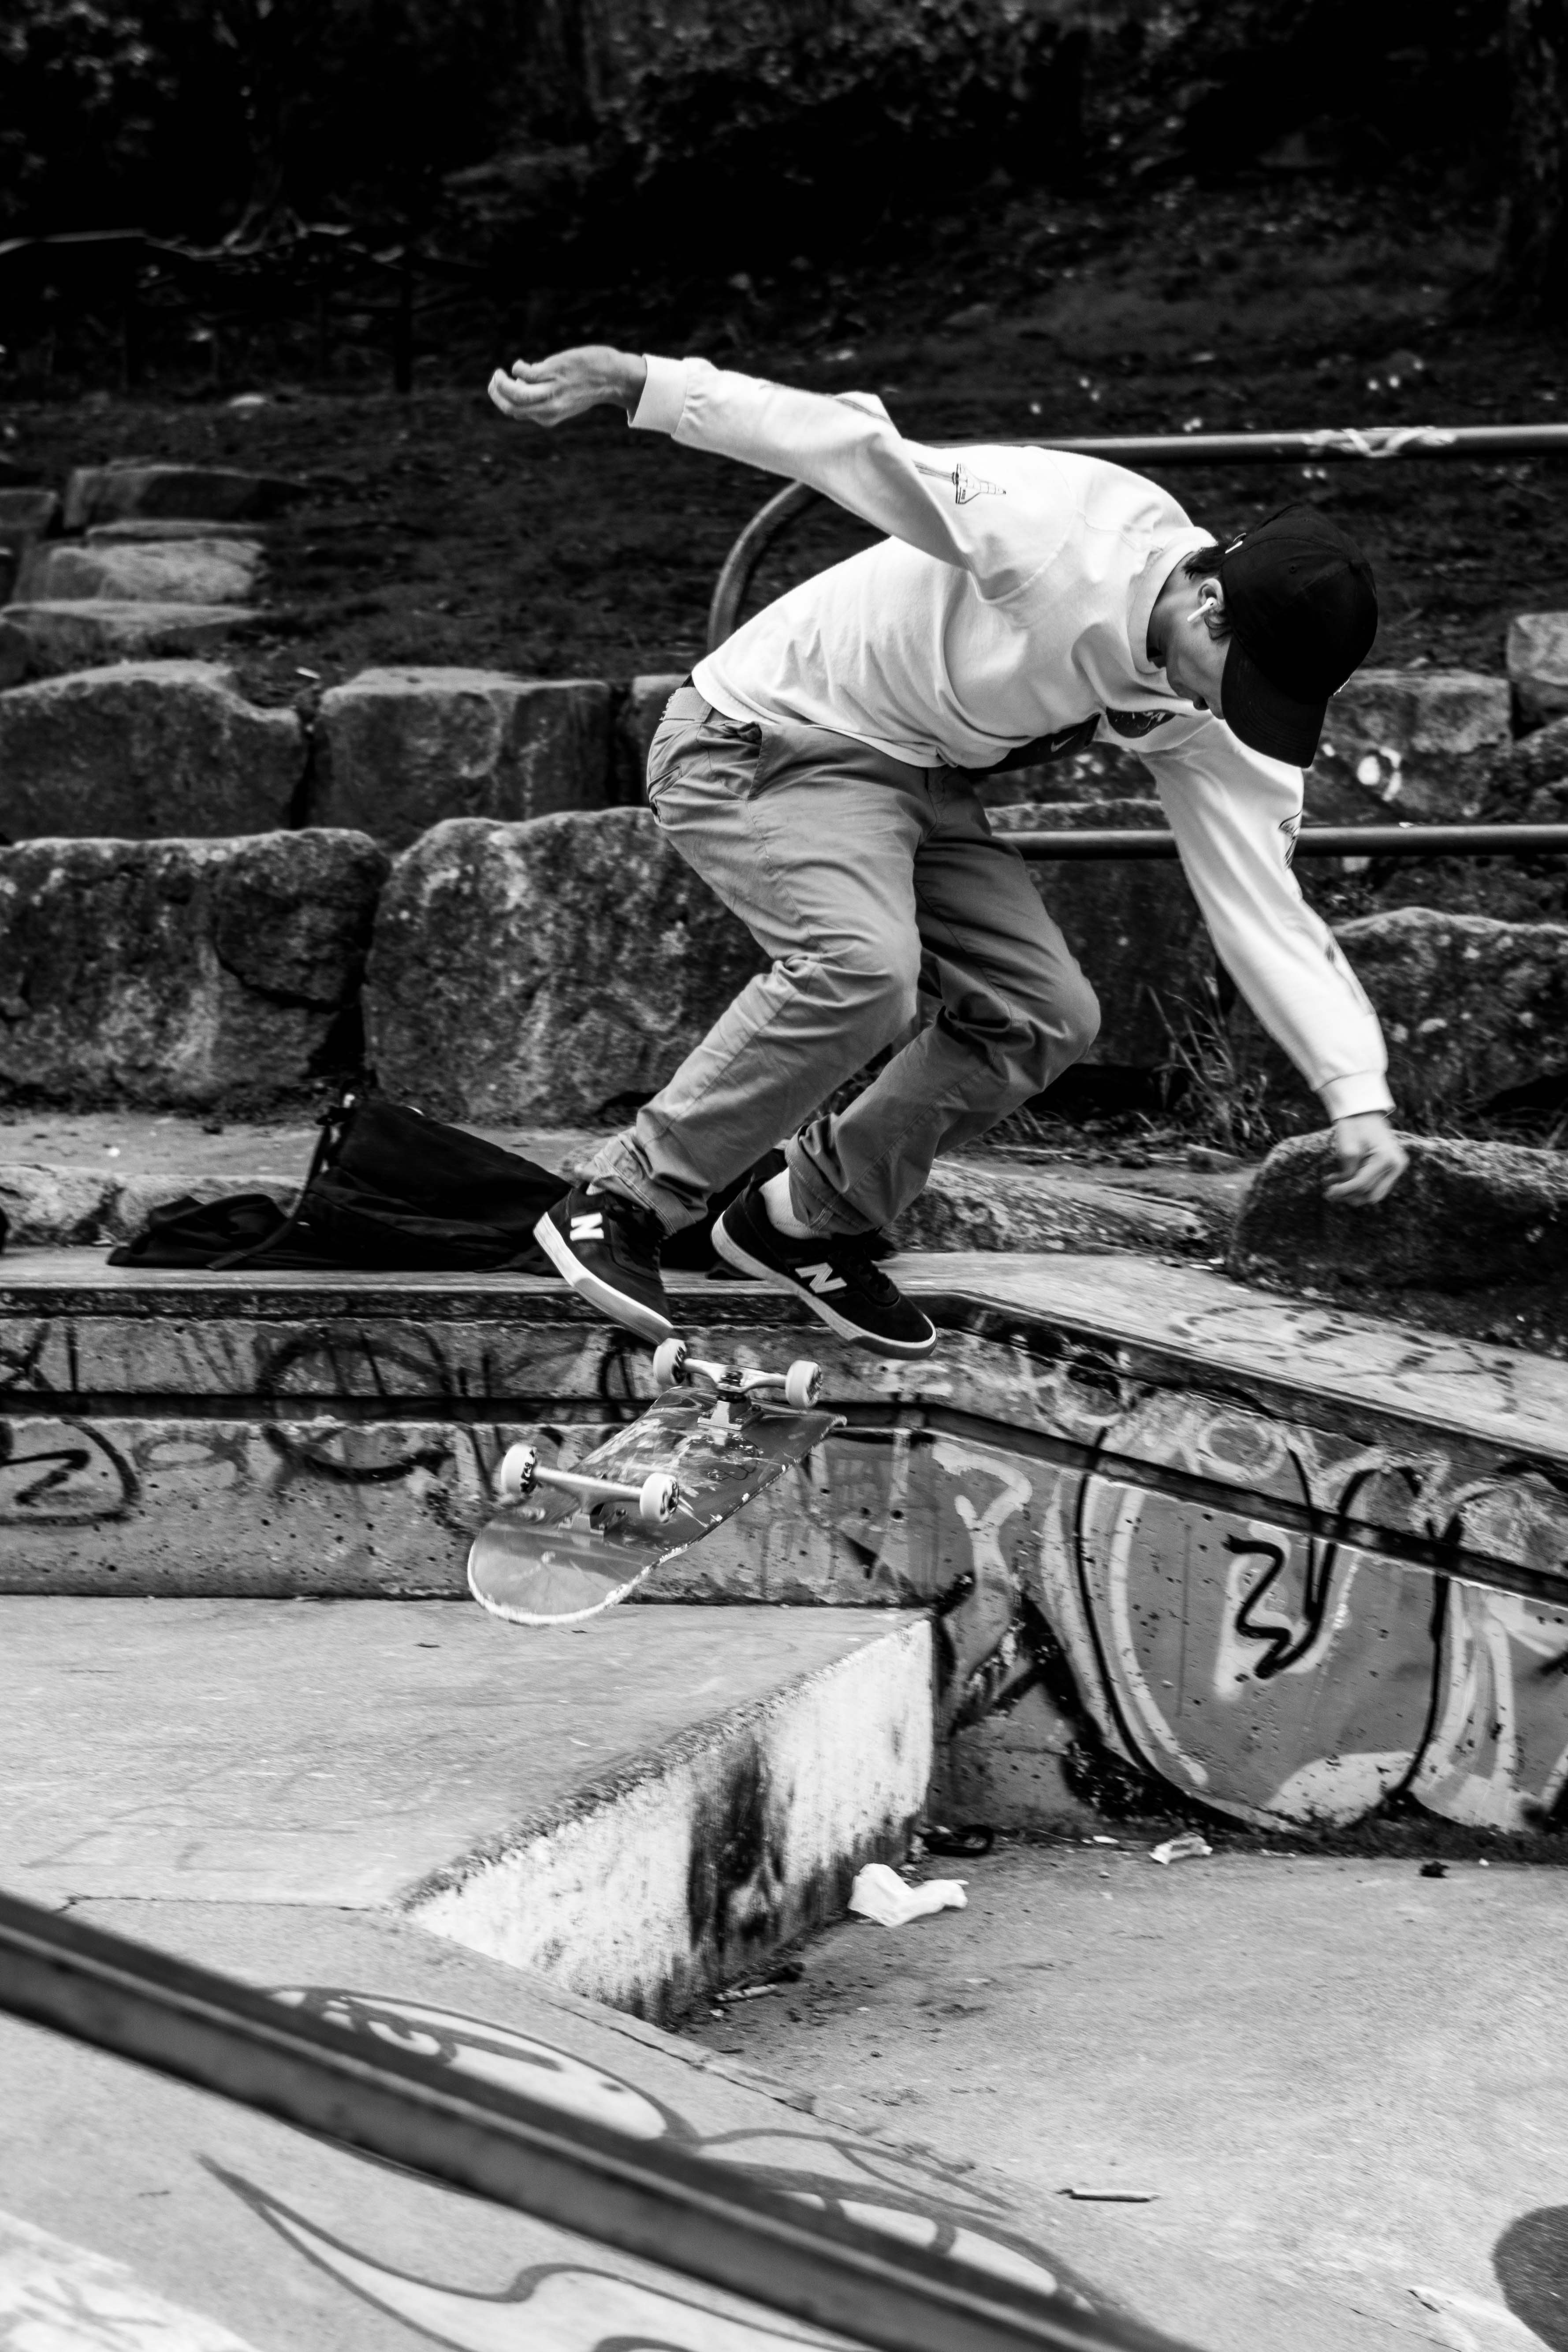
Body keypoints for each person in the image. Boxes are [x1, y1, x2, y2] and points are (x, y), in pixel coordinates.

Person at [490, 346, 1409, 1357]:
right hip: (764, 734)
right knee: (862, 972)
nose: (1225, 712)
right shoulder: (1055, 530)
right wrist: (644, 384)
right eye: (1236, 685)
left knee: (1045, 1013)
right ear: (1210, 606)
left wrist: (1355, 1091)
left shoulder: (1203, 704)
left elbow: (1260, 899)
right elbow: (850, 446)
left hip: (919, 777)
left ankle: (801, 1219)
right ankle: (621, 1197)